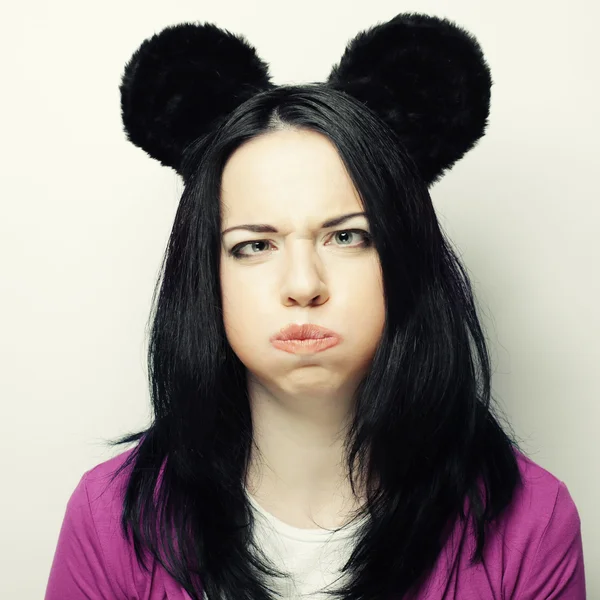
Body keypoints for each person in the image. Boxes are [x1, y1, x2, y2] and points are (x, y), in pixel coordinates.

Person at [45, 12, 586, 600]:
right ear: (206, 274)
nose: (303, 284)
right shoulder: (112, 518)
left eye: (348, 236)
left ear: (403, 255)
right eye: (254, 245)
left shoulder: (531, 519)